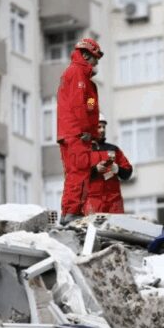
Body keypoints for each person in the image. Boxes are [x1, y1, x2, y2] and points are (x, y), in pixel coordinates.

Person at [57, 38, 103, 225]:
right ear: (85, 55)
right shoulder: (77, 74)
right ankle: (72, 212)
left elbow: (90, 106)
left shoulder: (87, 83)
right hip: (76, 133)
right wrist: (85, 130)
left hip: (75, 133)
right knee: (79, 173)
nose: (96, 63)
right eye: (94, 58)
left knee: (75, 173)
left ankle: (69, 211)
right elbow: (78, 106)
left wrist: (93, 132)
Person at [83, 118, 133, 215]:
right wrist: (95, 170)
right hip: (93, 201)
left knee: (116, 229)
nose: (102, 130)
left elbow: (128, 172)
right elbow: (77, 175)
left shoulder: (114, 149)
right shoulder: (83, 151)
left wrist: (118, 169)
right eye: (99, 127)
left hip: (114, 201)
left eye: (104, 127)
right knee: (94, 229)